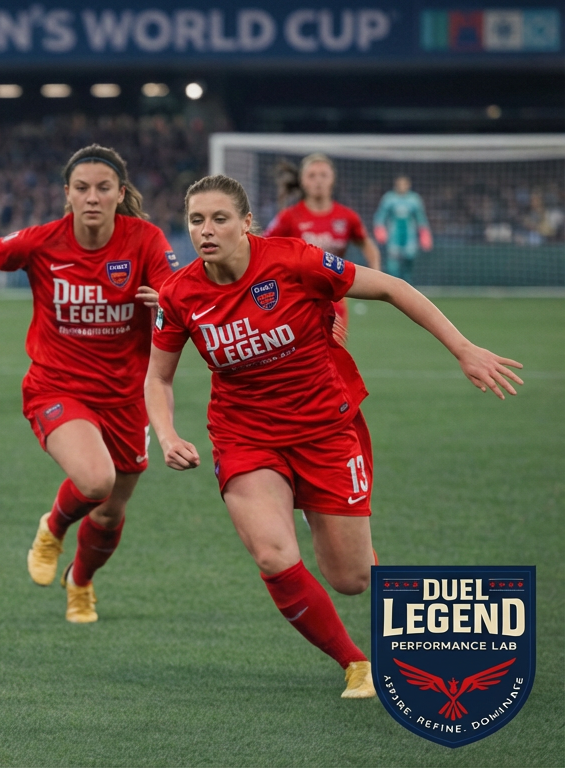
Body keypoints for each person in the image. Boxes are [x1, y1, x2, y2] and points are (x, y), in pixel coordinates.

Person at [145, 174, 523, 698]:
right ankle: (355, 663)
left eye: (219, 219)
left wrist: (463, 348)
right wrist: (166, 435)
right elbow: (158, 378)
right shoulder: (179, 293)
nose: (205, 230)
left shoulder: (293, 260)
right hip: (245, 438)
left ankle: (324, 516)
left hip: (324, 429)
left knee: (351, 579)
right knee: (273, 555)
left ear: (246, 222)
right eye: (195, 220)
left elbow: (391, 287)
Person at [0, 146, 176, 623]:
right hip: (57, 388)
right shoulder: (42, 241)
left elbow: (174, 294)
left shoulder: (146, 240)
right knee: (95, 480)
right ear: (67, 194)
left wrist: (167, 302)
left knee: (110, 512)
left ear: (120, 193)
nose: (92, 197)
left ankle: (81, 582)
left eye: (103, 188)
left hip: (126, 397)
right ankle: (52, 529)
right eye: (82, 188)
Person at [265, 154, 380, 345]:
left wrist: (375, 274)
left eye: (323, 175)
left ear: (332, 179)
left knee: (334, 350)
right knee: (298, 354)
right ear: (303, 181)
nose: (318, 180)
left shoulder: (347, 217)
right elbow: (263, 248)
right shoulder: (288, 217)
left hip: (333, 296)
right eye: (312, 175)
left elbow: (367, 244)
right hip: (296, 298)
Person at [373, 175, 432, 281]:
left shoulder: (414, 199)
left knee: (409, 259)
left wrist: (424, 234)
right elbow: (380, 216)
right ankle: (393, 285)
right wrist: (380, 230)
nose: (402, 186)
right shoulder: (389, 198)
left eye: (404, 184)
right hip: (394, 236)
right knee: (393, 263)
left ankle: (407, 283)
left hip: (409, 236)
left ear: (409, 185)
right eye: (399, 184)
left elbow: (421, 218)